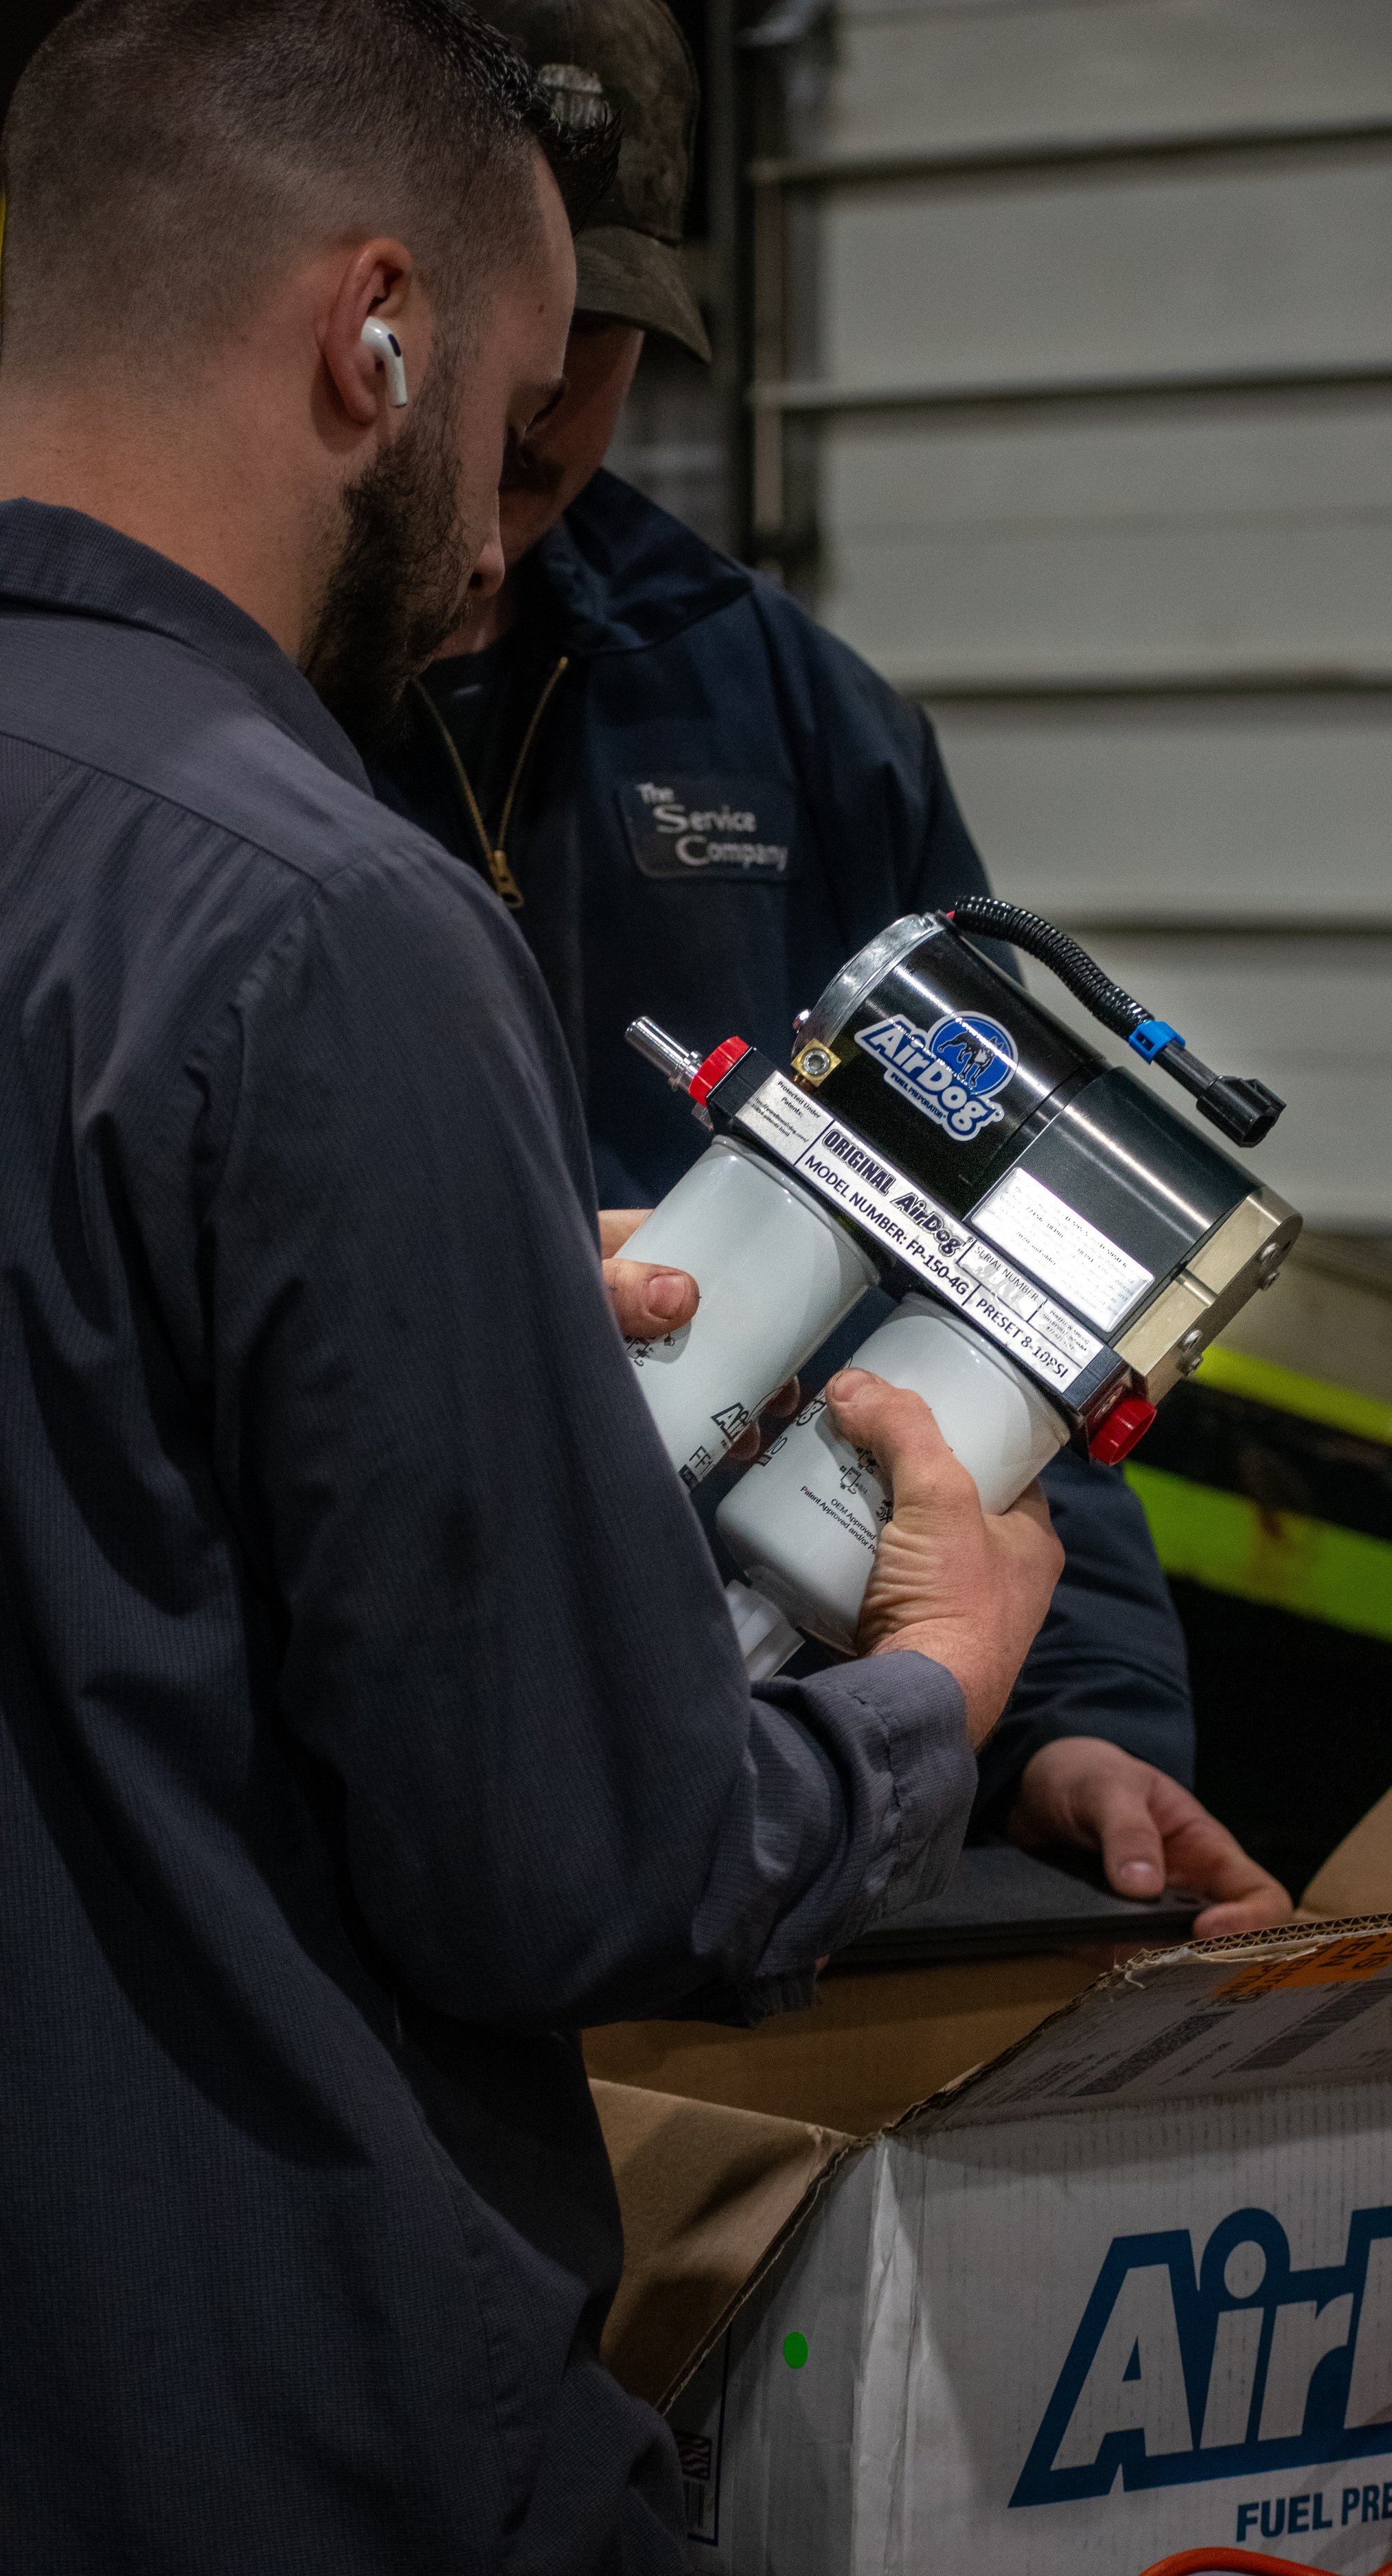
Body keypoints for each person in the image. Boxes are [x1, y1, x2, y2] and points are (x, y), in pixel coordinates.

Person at [0, 3, 1064, 2568]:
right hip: (269, 2435)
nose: (506, 536)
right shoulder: (328, 915)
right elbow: (571, 1864)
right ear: (371, 337)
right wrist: (940, 1687)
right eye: (494, 425)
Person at [370, 0, 1292, 1932]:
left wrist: (1066, 1727)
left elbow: (1019, 1294)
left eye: (594, 342)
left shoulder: (775, 710)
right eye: (499, 332)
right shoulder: (176, 739)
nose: (541, 416)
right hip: (380, 1791)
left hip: (777, 1788)